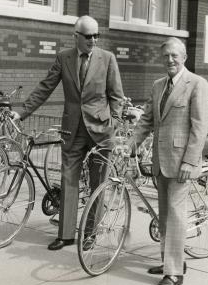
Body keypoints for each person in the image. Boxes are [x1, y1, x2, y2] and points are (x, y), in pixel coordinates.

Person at [12, 15, 124, 250]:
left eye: (96, 35)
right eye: (88, 36)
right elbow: (45, 86)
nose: (93, 40)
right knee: (68, 181)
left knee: (98, 184)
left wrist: (113, 123)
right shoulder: (64, 58)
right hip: (72, 130)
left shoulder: (108, 59)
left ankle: (91, 233)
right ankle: (65, 235)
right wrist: (22, 113)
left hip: (101, 131)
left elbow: (116, 96)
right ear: (76, 37)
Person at [129, 37, 208, 285]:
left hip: (181, 163)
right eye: (165, 56)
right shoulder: (157, 86)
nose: (170, 60)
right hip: (160, 161)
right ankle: (169, 262)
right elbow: (146, 122)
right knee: (163, 215)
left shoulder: (197, 84)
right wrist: (127, 146)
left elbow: (199, 128)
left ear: (184, 57)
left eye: (175, 55)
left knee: (175, 216)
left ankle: (174, 273)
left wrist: (190, 160)